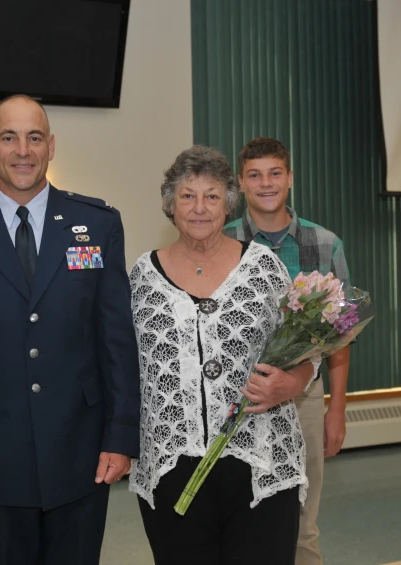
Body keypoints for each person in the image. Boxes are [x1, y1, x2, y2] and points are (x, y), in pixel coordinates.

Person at [0, 94, 140, 565]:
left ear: (51, 146)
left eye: (34, 137)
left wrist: (121, 436)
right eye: (9, 137)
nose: (22, 150)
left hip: (80, 449)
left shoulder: (97, 224)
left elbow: (117, 340)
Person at [129, 145, 315, 565]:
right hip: (172, 466)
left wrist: (293, 382)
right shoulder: (142, 275)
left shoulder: (263, 267)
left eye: (211, 196)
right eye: (187, 196)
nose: (199, 208)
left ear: (228, 204)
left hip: (260, 462)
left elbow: (307, 350)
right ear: (170, 205)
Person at [224, 137, 351, 565]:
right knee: (238, 517)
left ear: (290, 178)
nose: (266, 183)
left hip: (304, 398)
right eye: (255, 175)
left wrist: (336, 409)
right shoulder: (221, 242)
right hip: (239, 400)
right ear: (241, 183)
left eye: (275, 173)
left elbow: (341, 336)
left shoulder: (325, 245)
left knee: (302, 522)